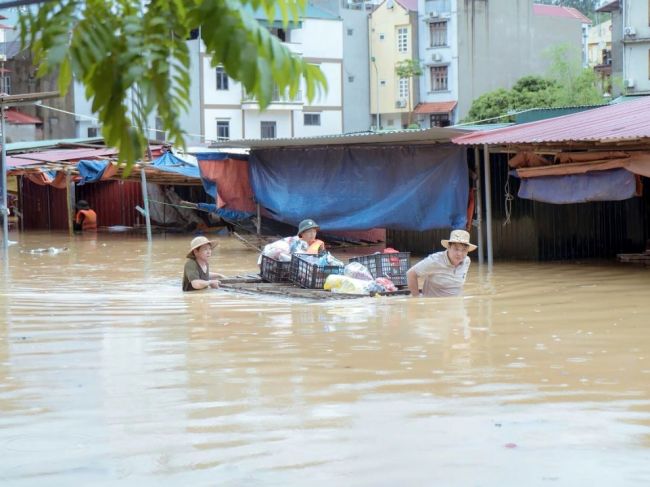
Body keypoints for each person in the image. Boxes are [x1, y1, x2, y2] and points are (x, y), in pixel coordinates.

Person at [406, 229, 477, 297]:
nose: (459, 254)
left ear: (467, 251)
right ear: (448, 247)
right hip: (434, 307)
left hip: (456, 305)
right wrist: (416, 297)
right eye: (456, 249)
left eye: (464, 250)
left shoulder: (466, 261)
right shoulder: (435, 260)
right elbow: (411, 274)